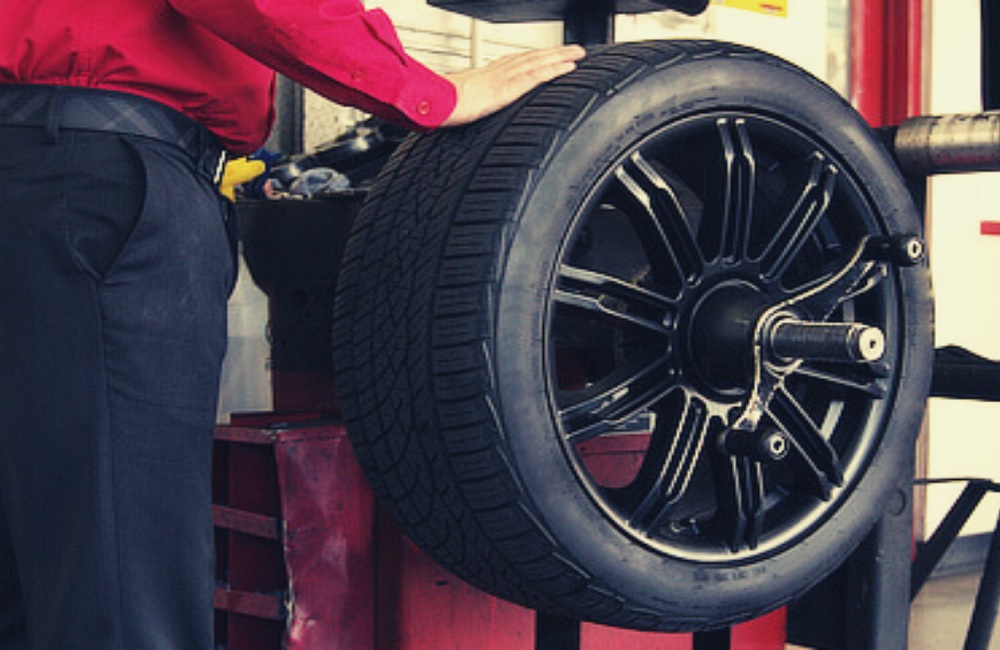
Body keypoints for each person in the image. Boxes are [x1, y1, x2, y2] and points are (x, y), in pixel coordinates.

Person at [0, 2, 585, 648]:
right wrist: (429, 92)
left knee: (34, 570)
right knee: (125, 578)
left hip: (41, 170)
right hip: (95, 176)